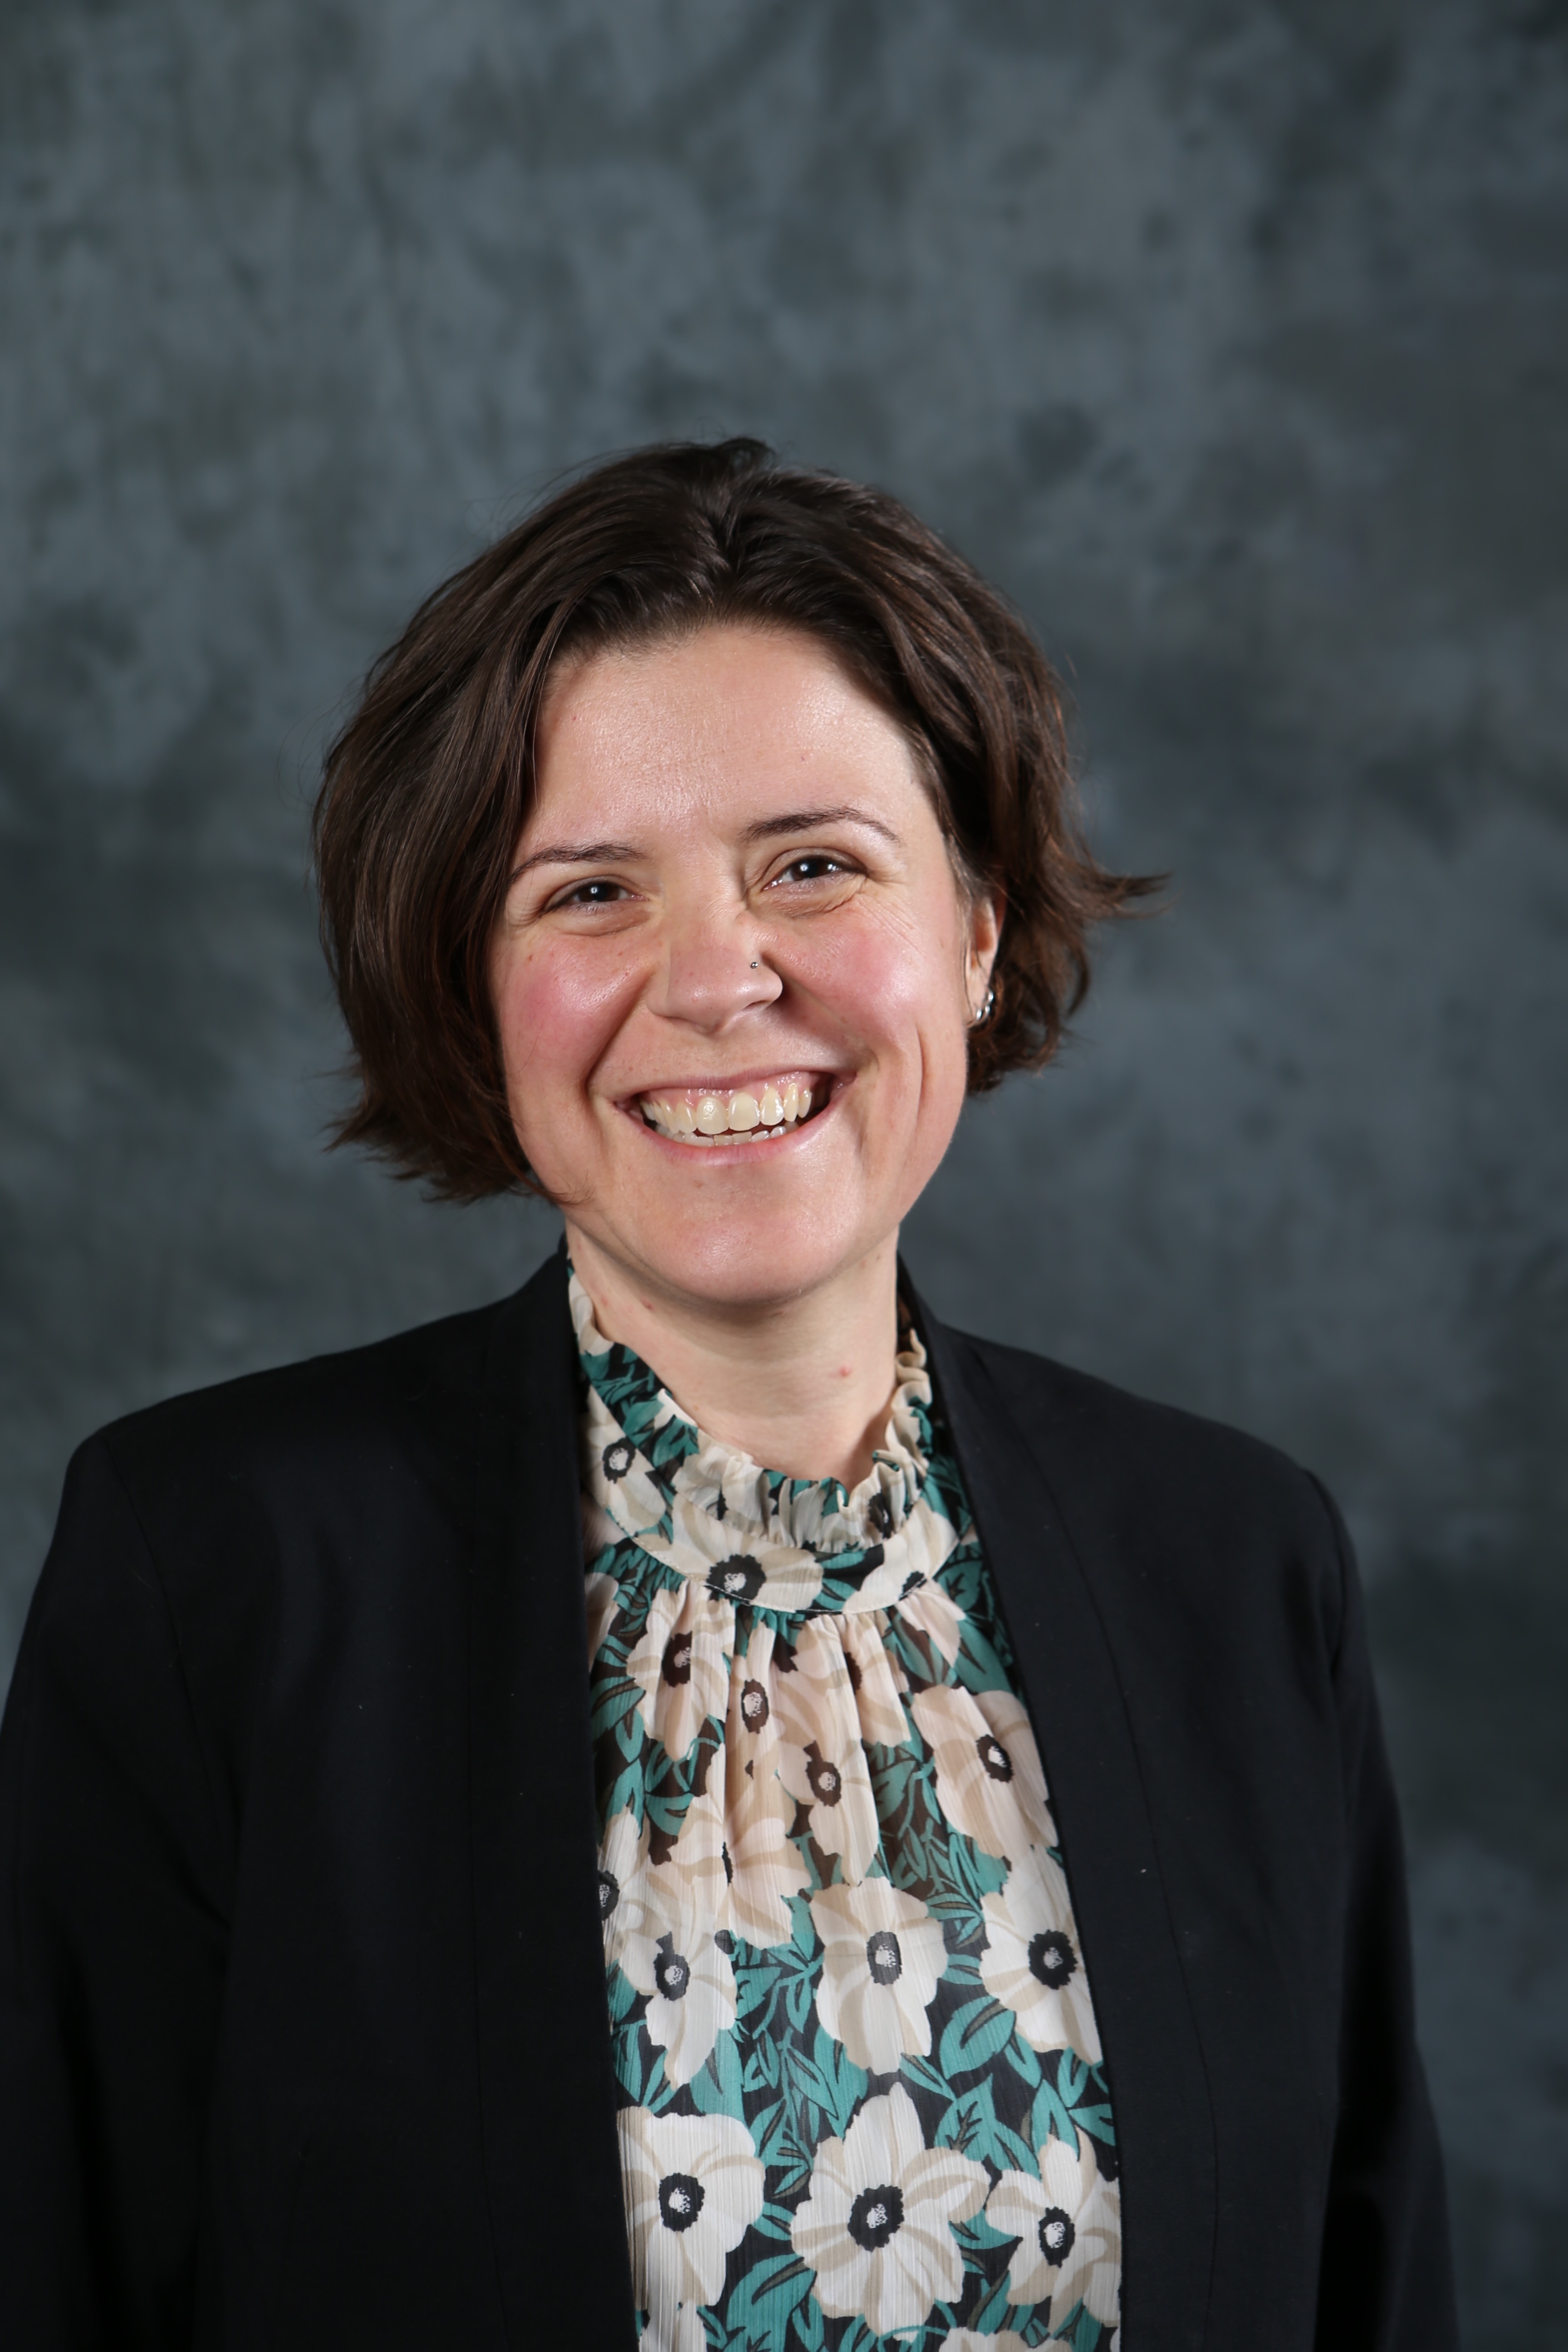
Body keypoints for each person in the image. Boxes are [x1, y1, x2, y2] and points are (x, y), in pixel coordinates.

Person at [0, 440, 1455, 2352]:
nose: (716, 978)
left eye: (815, 865)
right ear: (475, 983)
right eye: (591, 890)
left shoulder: (1239, 1566)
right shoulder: (213, 1575)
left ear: (979, 922)